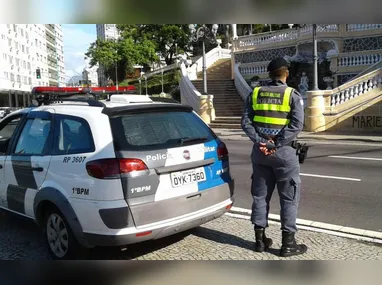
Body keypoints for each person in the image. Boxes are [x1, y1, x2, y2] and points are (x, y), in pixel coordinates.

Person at [241, 57, 307, 257]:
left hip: (260, 154)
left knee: (260, 196)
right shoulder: (291, 95)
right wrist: (275, 144)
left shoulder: (255, 93)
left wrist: (261, 142)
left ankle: (260, 242)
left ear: (269, 74)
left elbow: (246, 122)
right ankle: (288, 244)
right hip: (284, 154)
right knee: (289, 198)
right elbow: (296, 125)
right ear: (286, 72)